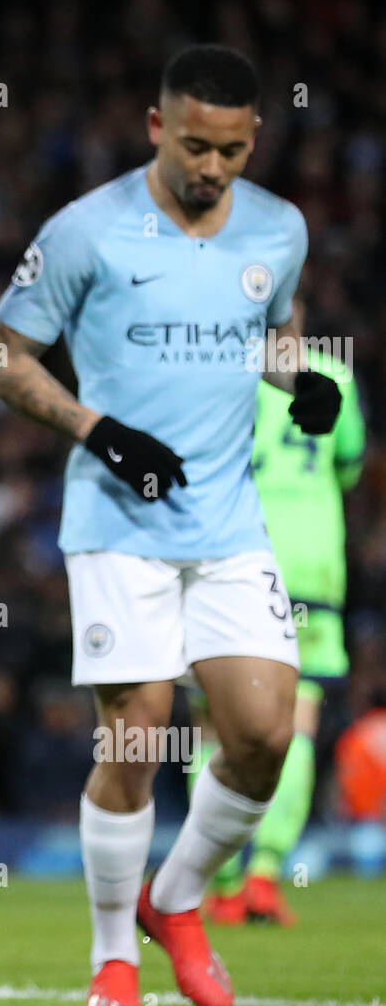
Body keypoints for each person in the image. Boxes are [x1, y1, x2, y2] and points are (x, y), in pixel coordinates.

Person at [0, 44, 342, 1006]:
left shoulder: (279, 227)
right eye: (191, 145)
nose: (210, 168)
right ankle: (111, 961)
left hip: (227, 520)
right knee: (136, 736)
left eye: (228, 149)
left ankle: (172, 898)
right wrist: (98, 431)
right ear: (155, 127)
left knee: (264, 733)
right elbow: (2, 357)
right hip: (116, 522)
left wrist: (296, 380)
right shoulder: (85, 231)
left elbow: (270, 334)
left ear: (251, 139)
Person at [187, 297, 364, 925]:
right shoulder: (334, 373)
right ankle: (267, 874)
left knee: (212, 724)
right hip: (313, 562)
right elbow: (347, 465)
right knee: (300, 717)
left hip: (235, 553)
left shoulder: (216, 371)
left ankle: (220, 878)